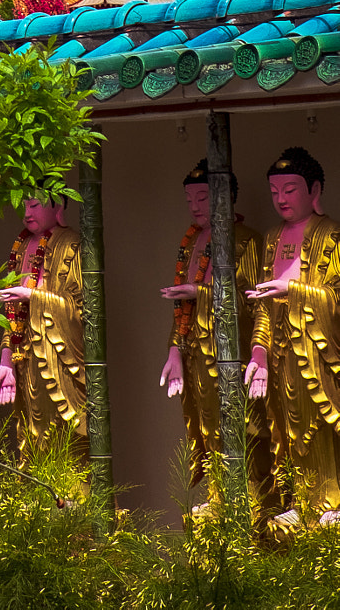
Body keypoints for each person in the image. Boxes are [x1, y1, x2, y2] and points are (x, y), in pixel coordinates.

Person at [157, 157, 268, 507]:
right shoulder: (190, 243)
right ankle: (220, 496)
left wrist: (201, 293)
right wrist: (175, 350)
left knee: (243, 426)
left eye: (203, 198)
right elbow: (182, 309)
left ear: (226, 197)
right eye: (190, 199)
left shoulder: (247, 241)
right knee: (208, 427)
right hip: (197, 354)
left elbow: (253, 300)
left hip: (232, 355)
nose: (195, 206)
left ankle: (251, 499)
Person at [245, 145, 340, 525]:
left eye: (290, 189)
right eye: (274, 191)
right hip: (280, 354)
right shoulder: (271, 238)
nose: (280, 199)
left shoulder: (332, 236)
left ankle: (327, 502)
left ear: (314, 190)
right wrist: (258, 354)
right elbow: (262, 302)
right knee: (282, 428)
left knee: (314, 425)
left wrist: (296, 291)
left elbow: (335, 296)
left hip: (316, 353)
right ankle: (299, 501)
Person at [0, 196, 86, 465]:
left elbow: (78, 306)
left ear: (58, 209)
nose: (26, 213)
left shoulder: (71, 245)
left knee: (62, 429)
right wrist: (6, 360)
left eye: (34, 206)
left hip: (59, 353)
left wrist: (33, 296)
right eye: (24, 206)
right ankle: (37, 497)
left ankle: (71, 497)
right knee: (29, 431)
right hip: (25, 355)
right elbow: (13, 316)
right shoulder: (22, 246)